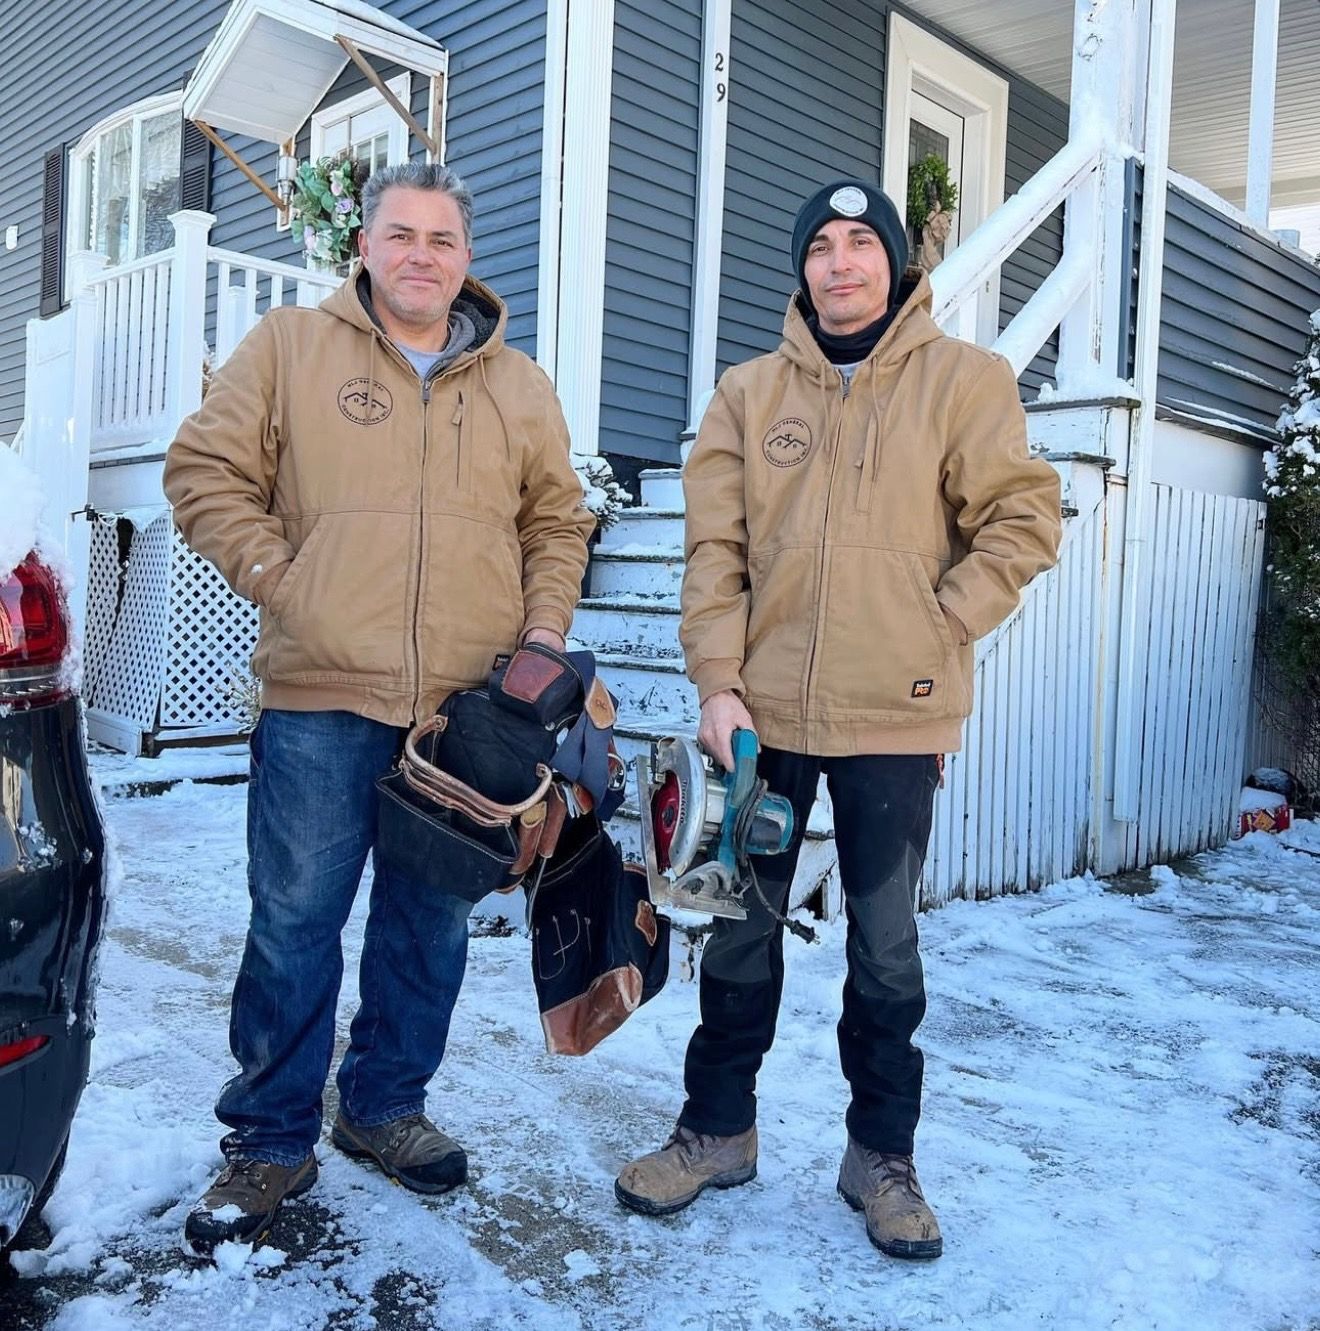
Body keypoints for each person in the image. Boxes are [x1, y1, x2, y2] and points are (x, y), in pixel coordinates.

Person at [615, 180, 1061, 1260]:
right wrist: (717, 677)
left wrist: (940, 620)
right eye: (822, 244)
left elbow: (1022, 516)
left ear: (897, 264)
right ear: (803, 268)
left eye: (864, 243)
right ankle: (717, 1127)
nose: (841, 261)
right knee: (734, 924)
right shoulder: (748, 394)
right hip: (762, 718)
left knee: (888, 949)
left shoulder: (966, 382)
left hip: (897, 716)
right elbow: (713, 552)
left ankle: (881, 1153)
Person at [164, 162, 593, 1254]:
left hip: (463, 719)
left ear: (466, 259)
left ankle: (383, 1105)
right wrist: (287, 578)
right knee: (296, 920)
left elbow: (557, 519)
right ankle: (267, 1136)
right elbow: (204, 471)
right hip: (320, 697)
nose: (419, 255)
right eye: (399, 234)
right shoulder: (291, 352)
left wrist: (543, 633)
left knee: (429, 920)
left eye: (441, 239)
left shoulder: (518, 387)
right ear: (363, 246)